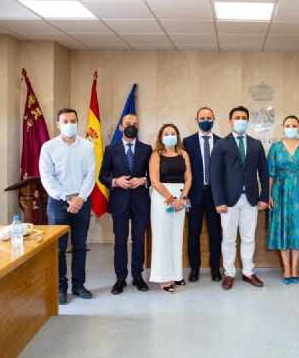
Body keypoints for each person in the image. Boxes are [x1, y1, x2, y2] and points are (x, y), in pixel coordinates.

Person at [39, 108, 95, 305]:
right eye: (65, 121)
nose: (70, 124)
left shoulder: (87, 146)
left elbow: (90, 175)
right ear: (58, 124)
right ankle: (60, 287)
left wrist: (80, 198)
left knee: (80, 246)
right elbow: (47, 177)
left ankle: (78, 285)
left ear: (77, 122)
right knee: (58, 248)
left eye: (73, 121)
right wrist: (68, 198)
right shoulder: (48, 147)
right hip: (58, 203)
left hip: (82, 202)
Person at [210, 106, 269, 290]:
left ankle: (248, 272)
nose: (241, 120)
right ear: (230, 121)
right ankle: (229, 273)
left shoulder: (256, 144)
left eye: (244, 117)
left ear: (248, 121)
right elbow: (215, 175)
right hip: (228, 201)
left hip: (251, 199)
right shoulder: (221, 144)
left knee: (248, 238)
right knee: (228, 239)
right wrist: (218, 201)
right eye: (237, 117)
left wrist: (264, 196)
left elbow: (264, 172)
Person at [99, 114, 152, 295]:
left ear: (139, 127)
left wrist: (143, 180)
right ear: (121, 127)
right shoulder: (111, 149)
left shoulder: (146, 149)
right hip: (119, 201)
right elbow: (102, 176)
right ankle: (120, 278)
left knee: (139, 240)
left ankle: (138, 276)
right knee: (120, 241)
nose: (132, 126)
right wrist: (115, 182)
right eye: (128, 124)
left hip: (140, 201)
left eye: (135, 124)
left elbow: (153, 176)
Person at [267, 115, 299, 285]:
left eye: (293, 125)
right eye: (287, 125)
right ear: (283, 127)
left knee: (297, 229)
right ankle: (286, 268)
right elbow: (270, 173)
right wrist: (268, 195)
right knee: (283, 229)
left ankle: (295, 267)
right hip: (280, 192)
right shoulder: (275, 147)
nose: (290, 128)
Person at [149, 124, 192, 294]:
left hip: (180, 198)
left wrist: (182, 198)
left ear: (177, 136)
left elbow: (188, 178)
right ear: (161, 137)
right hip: (162, 198)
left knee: (176, 236)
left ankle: (176, 274)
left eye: (173, 133)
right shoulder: (156, 155)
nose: (170, 136)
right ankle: (163, 277)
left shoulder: (183, 154)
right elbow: (154, 180)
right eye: (166, 134)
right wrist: (171, 199)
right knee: (162, 237)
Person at [183, 107, 222, 282]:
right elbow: (184, 170)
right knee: (193, 234)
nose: (205, 120)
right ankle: (194, 269)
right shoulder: (187, 142)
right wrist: (184, 195)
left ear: (214, 119)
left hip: (215, 196)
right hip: (194, 195)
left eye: (208, 117)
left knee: (215, 234)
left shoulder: (221, 142)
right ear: (196, 120)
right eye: (202, 118)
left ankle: (215, 268)